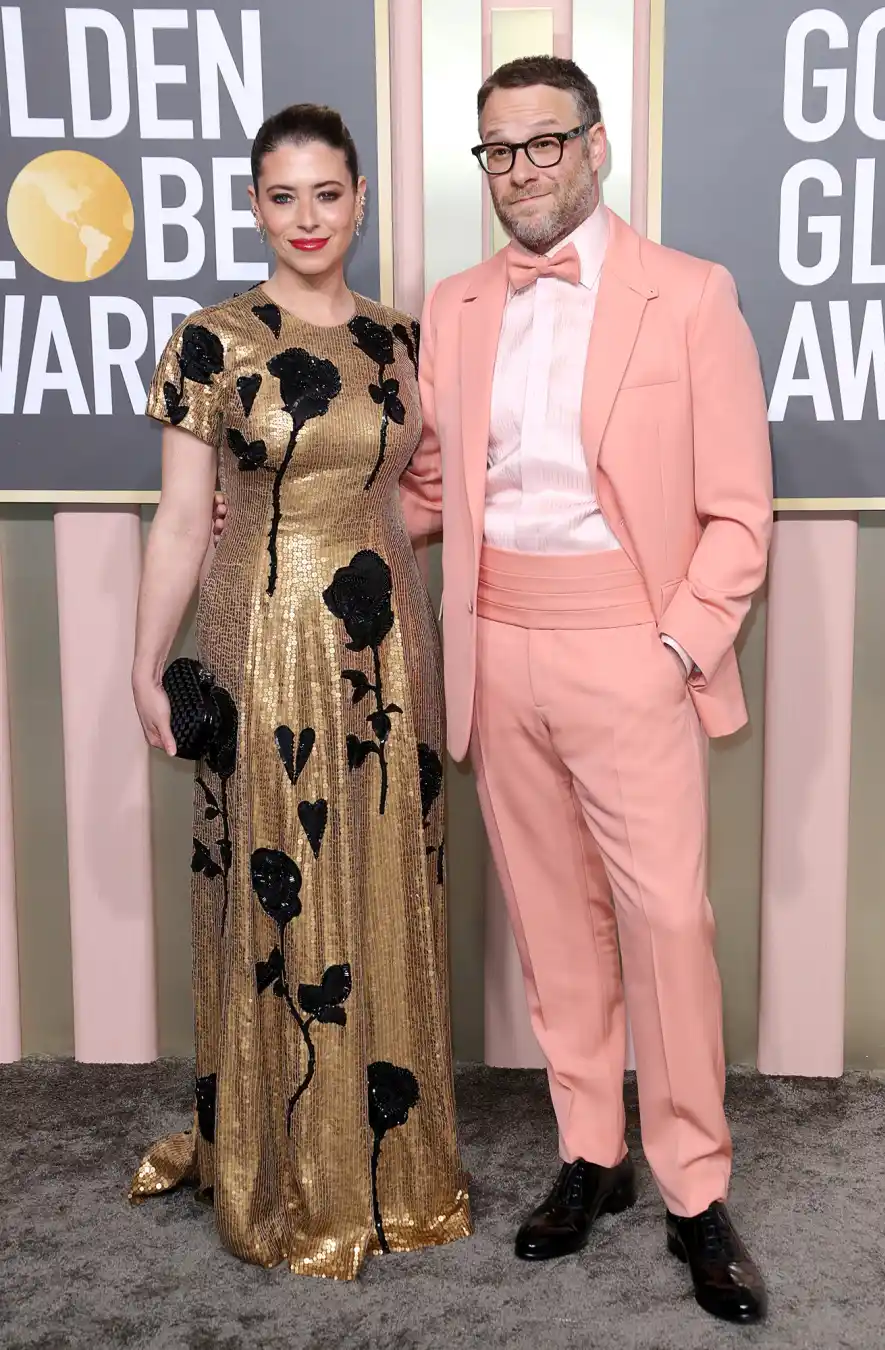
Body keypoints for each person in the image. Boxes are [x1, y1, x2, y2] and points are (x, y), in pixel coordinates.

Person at [402, 56, 772, 1324]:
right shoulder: (450, 306)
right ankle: (592, 1156)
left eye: (544, 144)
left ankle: (694, 1188)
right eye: (499, 151)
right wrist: (296, 510)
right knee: (556, 925)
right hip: (498, 648)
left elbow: (738, 514)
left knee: (668, 924)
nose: (522, 172)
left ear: (598, 147)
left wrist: (672, 648)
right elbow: (436, 488)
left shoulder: (692, 295)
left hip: (632, 644)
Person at [130, 103, 470, 1282]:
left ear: (361, 198)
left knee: (384, 883)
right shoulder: (211, 342)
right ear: (257, 205)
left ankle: (392, 1168)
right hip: (264, 641)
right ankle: (285, 1169)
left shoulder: (401, 338)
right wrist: (145, 658)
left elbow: (408, 496)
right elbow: (182, 517)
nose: (309, 217)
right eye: (284, 196)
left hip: (388, 649)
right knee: (287, 896)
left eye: (328, 193)